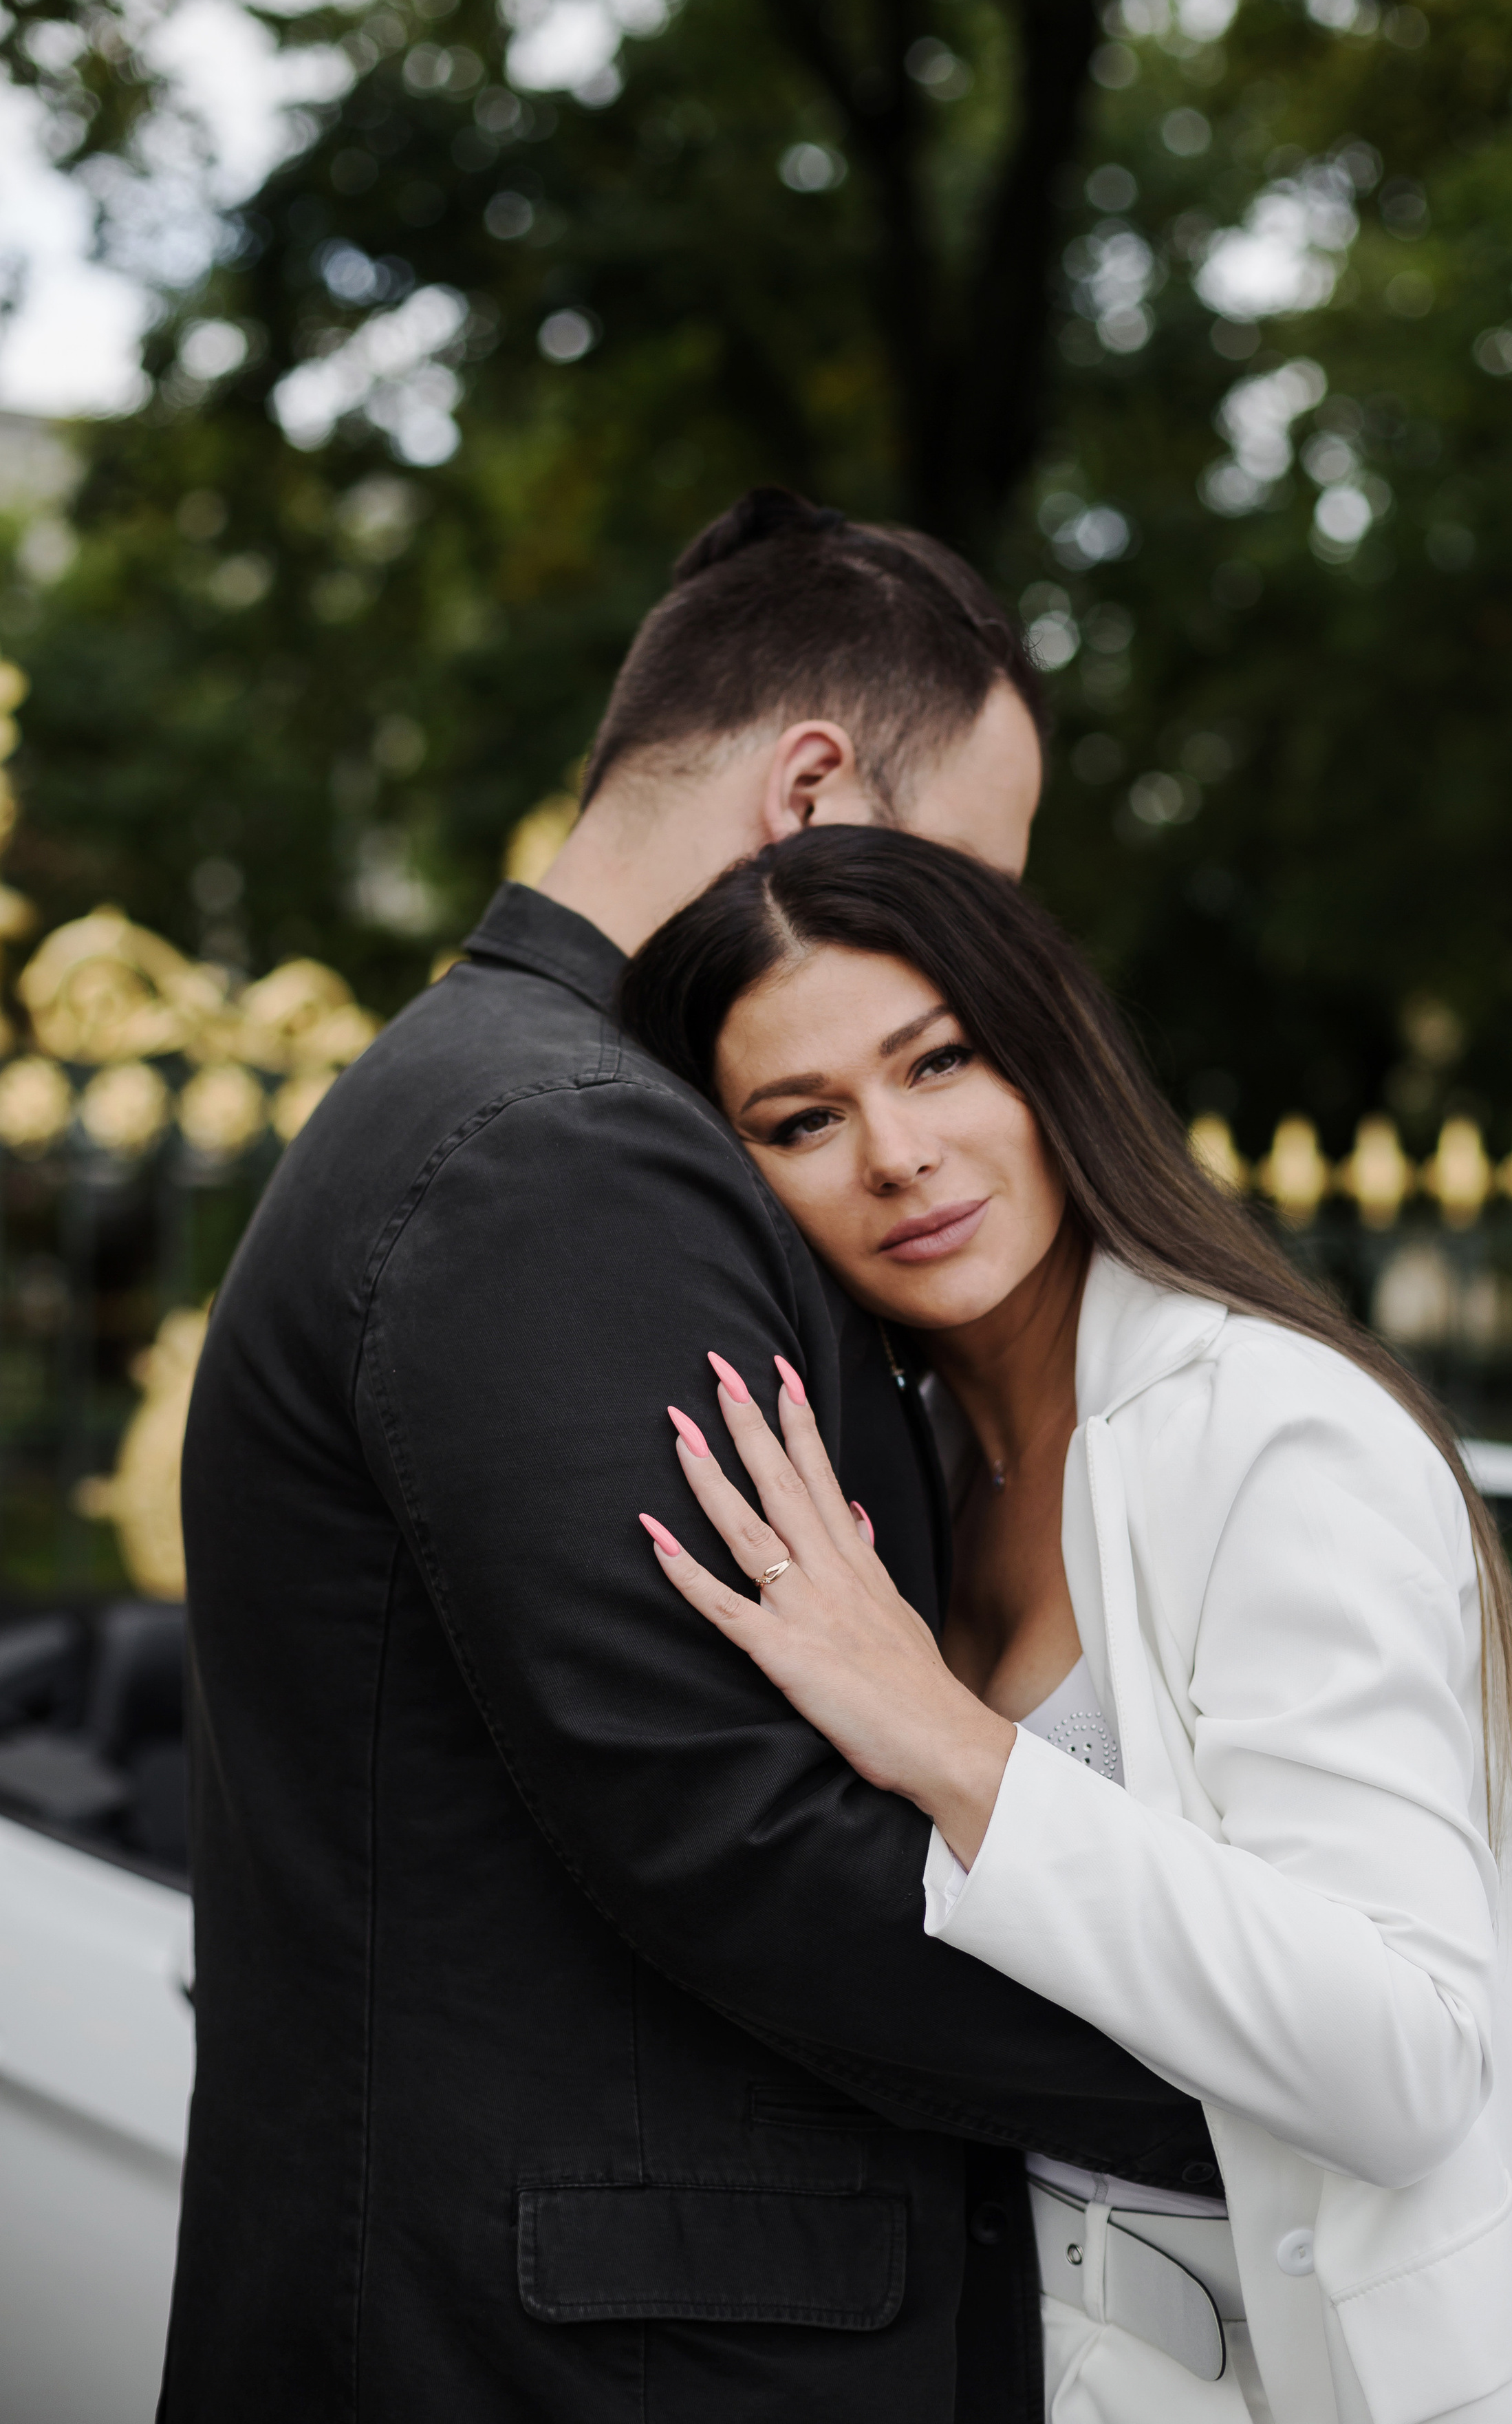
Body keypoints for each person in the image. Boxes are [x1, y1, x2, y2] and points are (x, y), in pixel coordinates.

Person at [159, 489, 1222, 2424]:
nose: (981, 970)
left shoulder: (508, 1109)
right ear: (814, 800)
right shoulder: (560, 1155)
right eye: (971, 881)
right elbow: (739, 1838)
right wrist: (1272, 2086)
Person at [618, 824, 1512, 2424]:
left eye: (936, 1060)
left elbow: (1410, 2058)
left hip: (1303, 2373)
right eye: (802, 1119)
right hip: (1023, 2348)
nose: (894, 1152)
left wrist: (944, 1739)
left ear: (1045, 1058)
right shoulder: (920, 1468)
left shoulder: (1268, 1434)